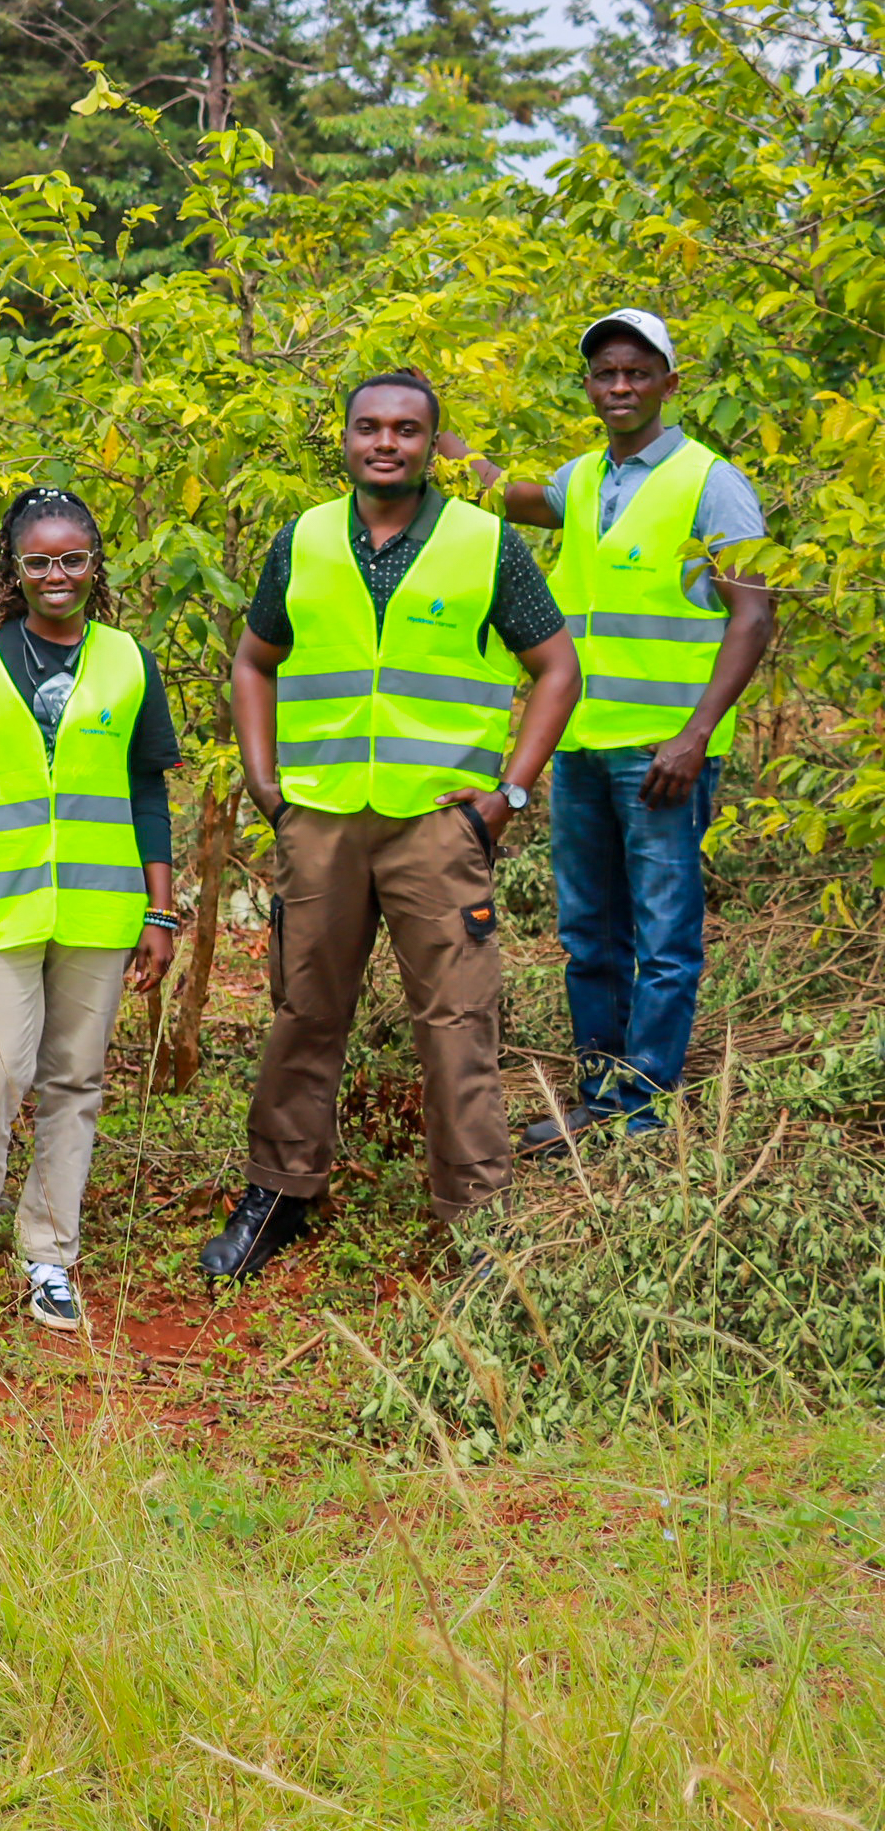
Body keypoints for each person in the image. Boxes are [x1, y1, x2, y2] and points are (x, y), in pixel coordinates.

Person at [202, 374, 580, 1283]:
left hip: (439, 828)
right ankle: (281, 1194)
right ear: (345, 438)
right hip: (320, 823)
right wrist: (265, 782)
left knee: (458, 1022)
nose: (387, 443)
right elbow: (255, 661)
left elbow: (556, 669)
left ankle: (479, 1220)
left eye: (407, 430)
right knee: (304, 1012)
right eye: (369, 427)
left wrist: (508, 797)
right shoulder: (303, 540)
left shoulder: (484, 542)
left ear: (432, 443)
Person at [457, 309, 775, 1146]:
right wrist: (433, 436)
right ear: (590, 387)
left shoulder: (710, 482)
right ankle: (598, 1093)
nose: (620, 387)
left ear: (671, 383)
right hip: (584, 747)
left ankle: (641, 1108)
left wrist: (698, 733)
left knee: (663, 937)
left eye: (637, 372)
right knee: (589, 933)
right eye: (605, 374)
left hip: (663, 754)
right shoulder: (584, 480)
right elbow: (510, 496)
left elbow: (753, 613)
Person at [0, 490, 180, 1330]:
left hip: (104, 911)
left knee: (74, 1079)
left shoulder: (130, 661)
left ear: (94, 566)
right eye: (39, 561)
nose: (56, 575)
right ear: (14, 569)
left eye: (72, 559)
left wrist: (163, 911)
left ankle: (50, 1253)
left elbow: (147, 789)